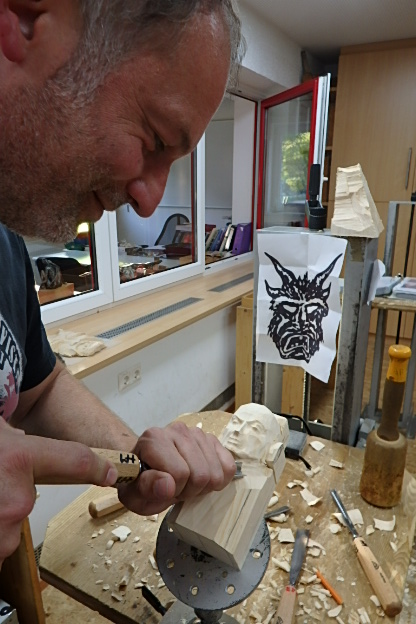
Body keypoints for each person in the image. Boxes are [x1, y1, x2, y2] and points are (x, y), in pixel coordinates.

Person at [0, 0, 245, 570]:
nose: (151, 200)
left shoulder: (6, 240)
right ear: (26, 18)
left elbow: (39, 389)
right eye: (154, 138)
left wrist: (135, 455)